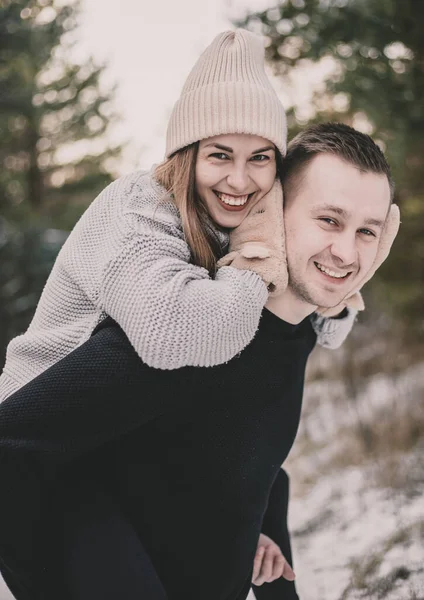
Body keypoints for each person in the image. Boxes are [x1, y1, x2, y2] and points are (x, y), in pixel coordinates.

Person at [0, 28, 399, 600]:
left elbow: (254, 441)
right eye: (218, 155)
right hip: (43, 430)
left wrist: (332, 299)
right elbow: (171, 338)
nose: (239, 180)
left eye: (259, 159)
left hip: (110, 439)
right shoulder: (145, 214)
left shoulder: (230, 267)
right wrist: (260, 257)